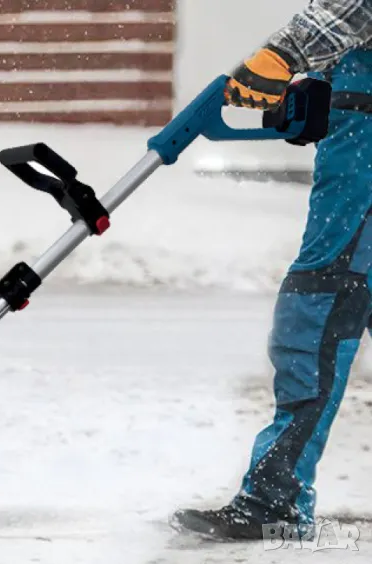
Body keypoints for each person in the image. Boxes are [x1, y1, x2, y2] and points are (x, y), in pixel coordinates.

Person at [172, 0, 372, 540]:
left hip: (364, 165)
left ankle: (275, 501)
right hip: (356, 141)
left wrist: (286, 52)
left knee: (319, 305)